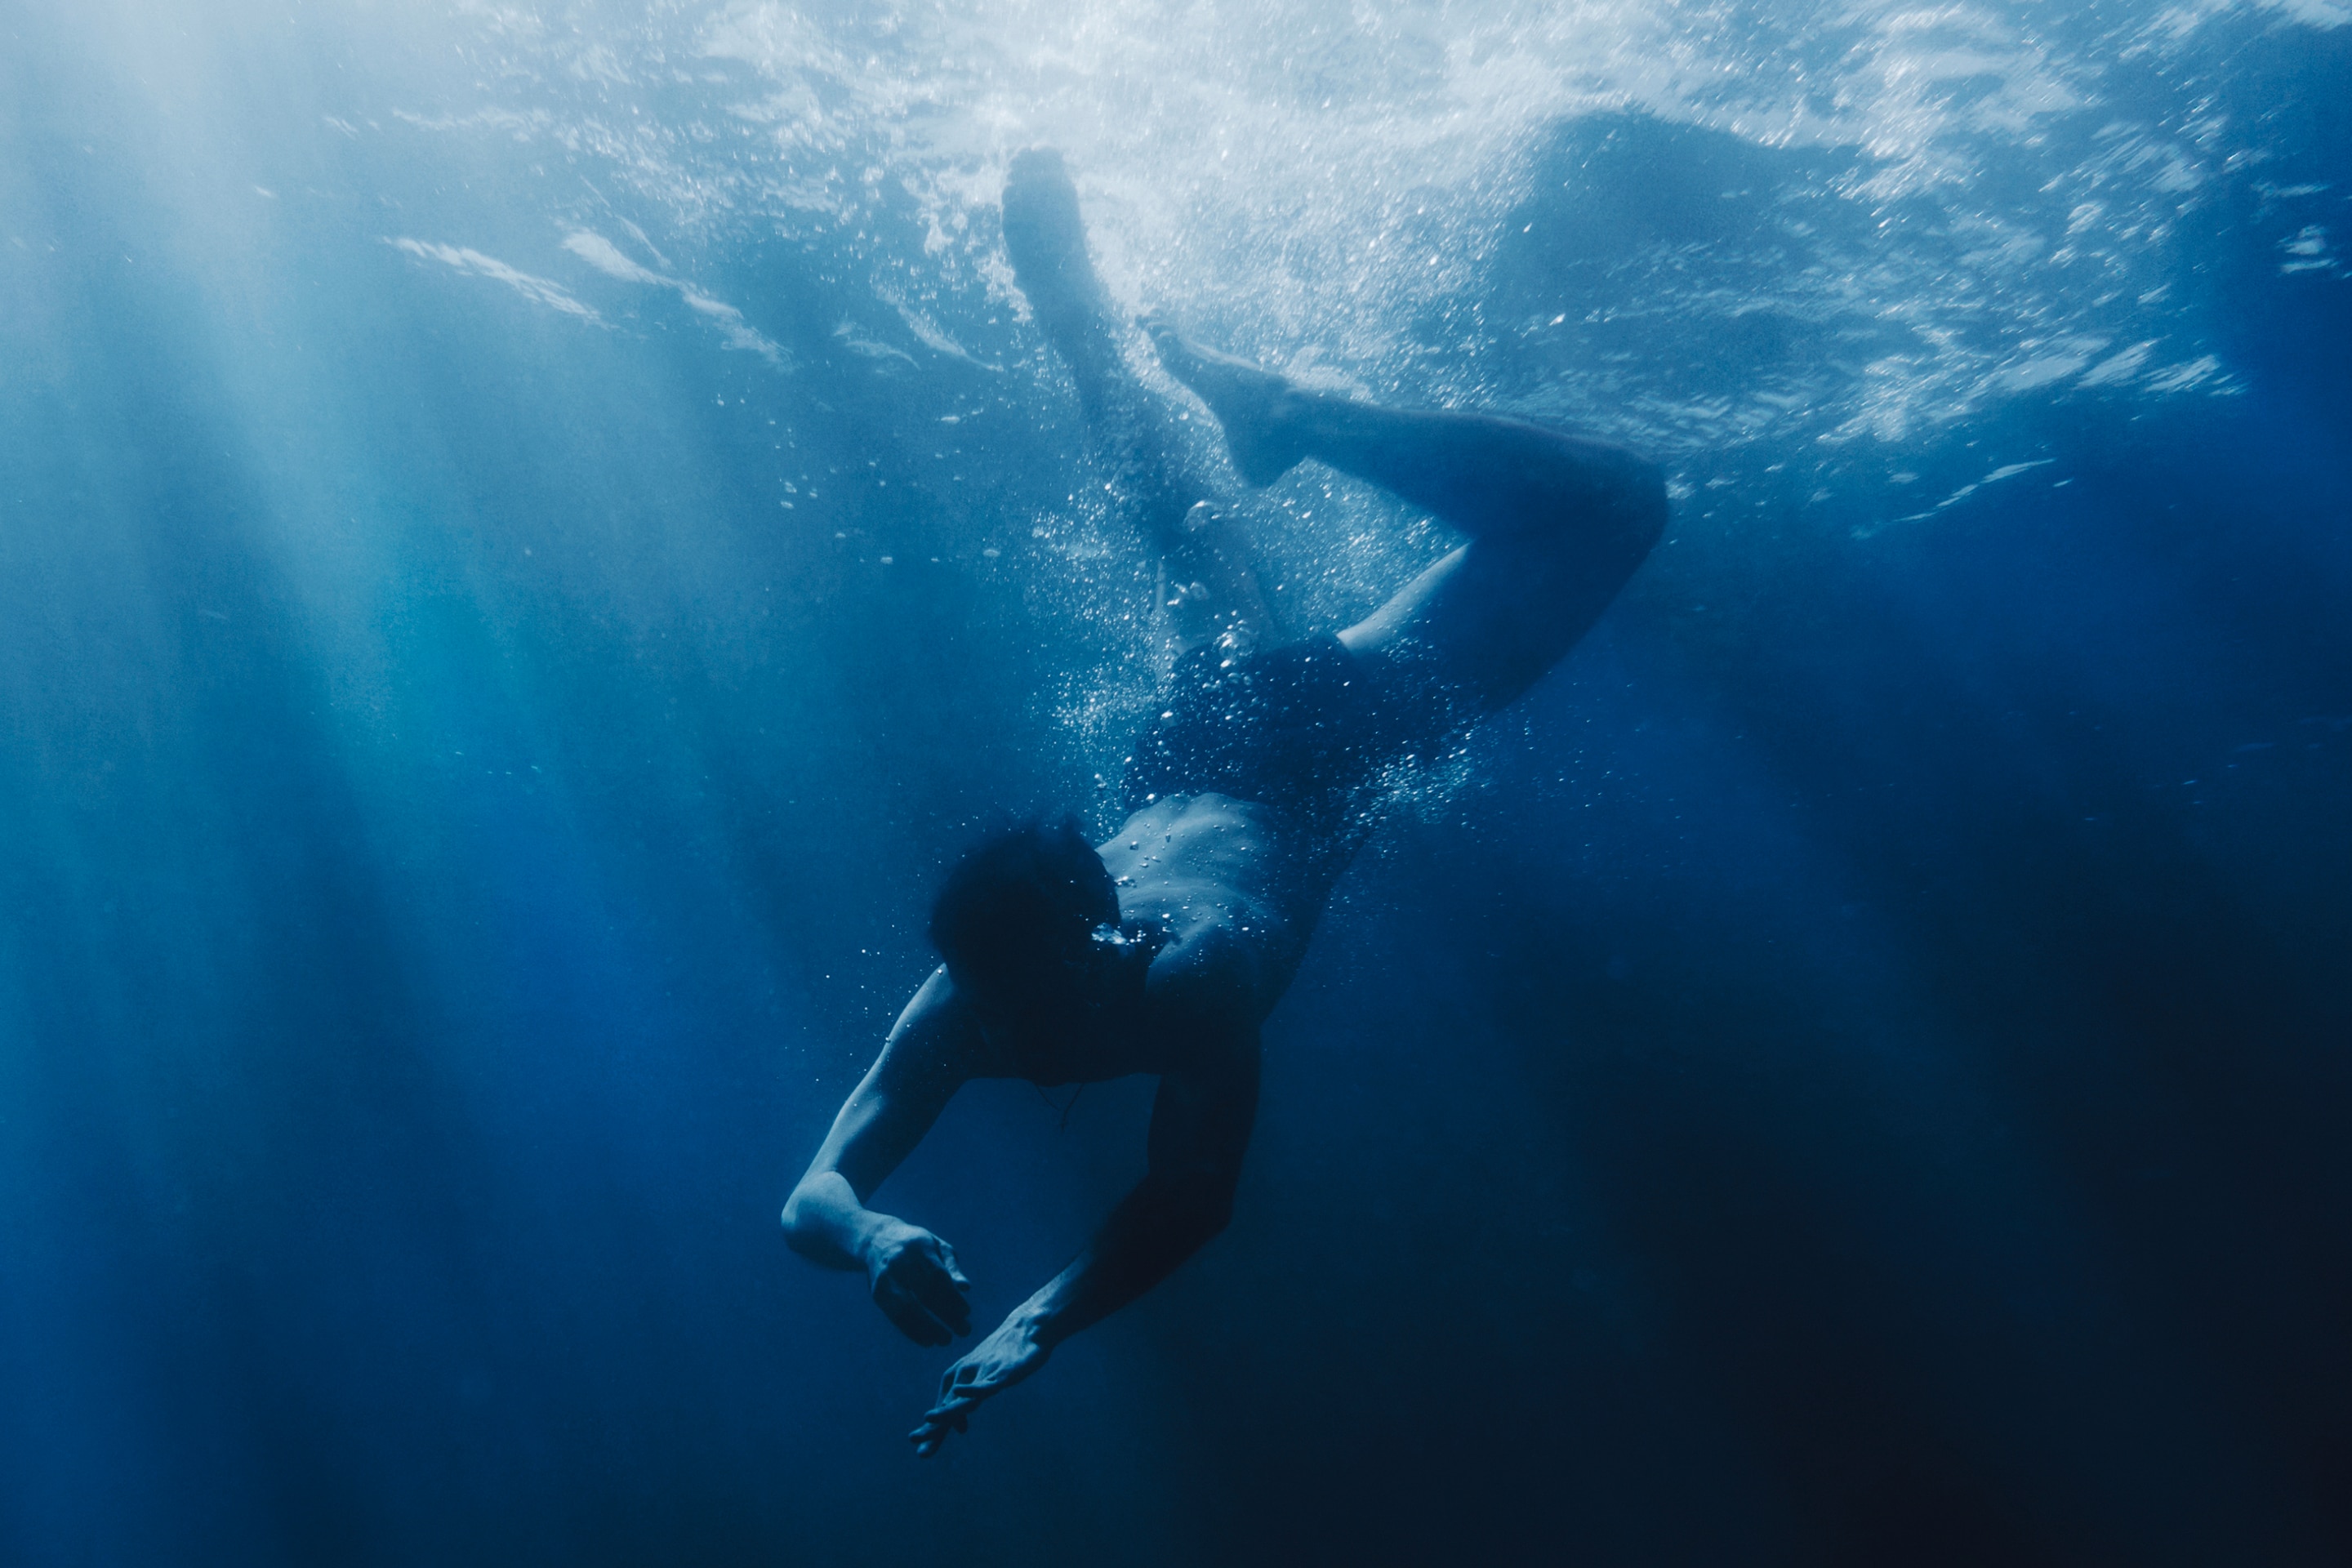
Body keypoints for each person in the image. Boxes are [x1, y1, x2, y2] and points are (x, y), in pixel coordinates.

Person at [782, 149, 1666, 1456]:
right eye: (995, 1000)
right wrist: (872, 1237)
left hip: (1323, 745)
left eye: (1026, 1001)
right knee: (1190, 530)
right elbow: (815, 1188)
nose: (1009, 1033)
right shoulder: (970, 996)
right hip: (1189, 747)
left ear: (1099, 943)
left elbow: (1195, 1195)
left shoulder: (1189, 982)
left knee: (1617, 506)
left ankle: (1296, 412)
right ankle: (1103, 336)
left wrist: (1044, 1315)